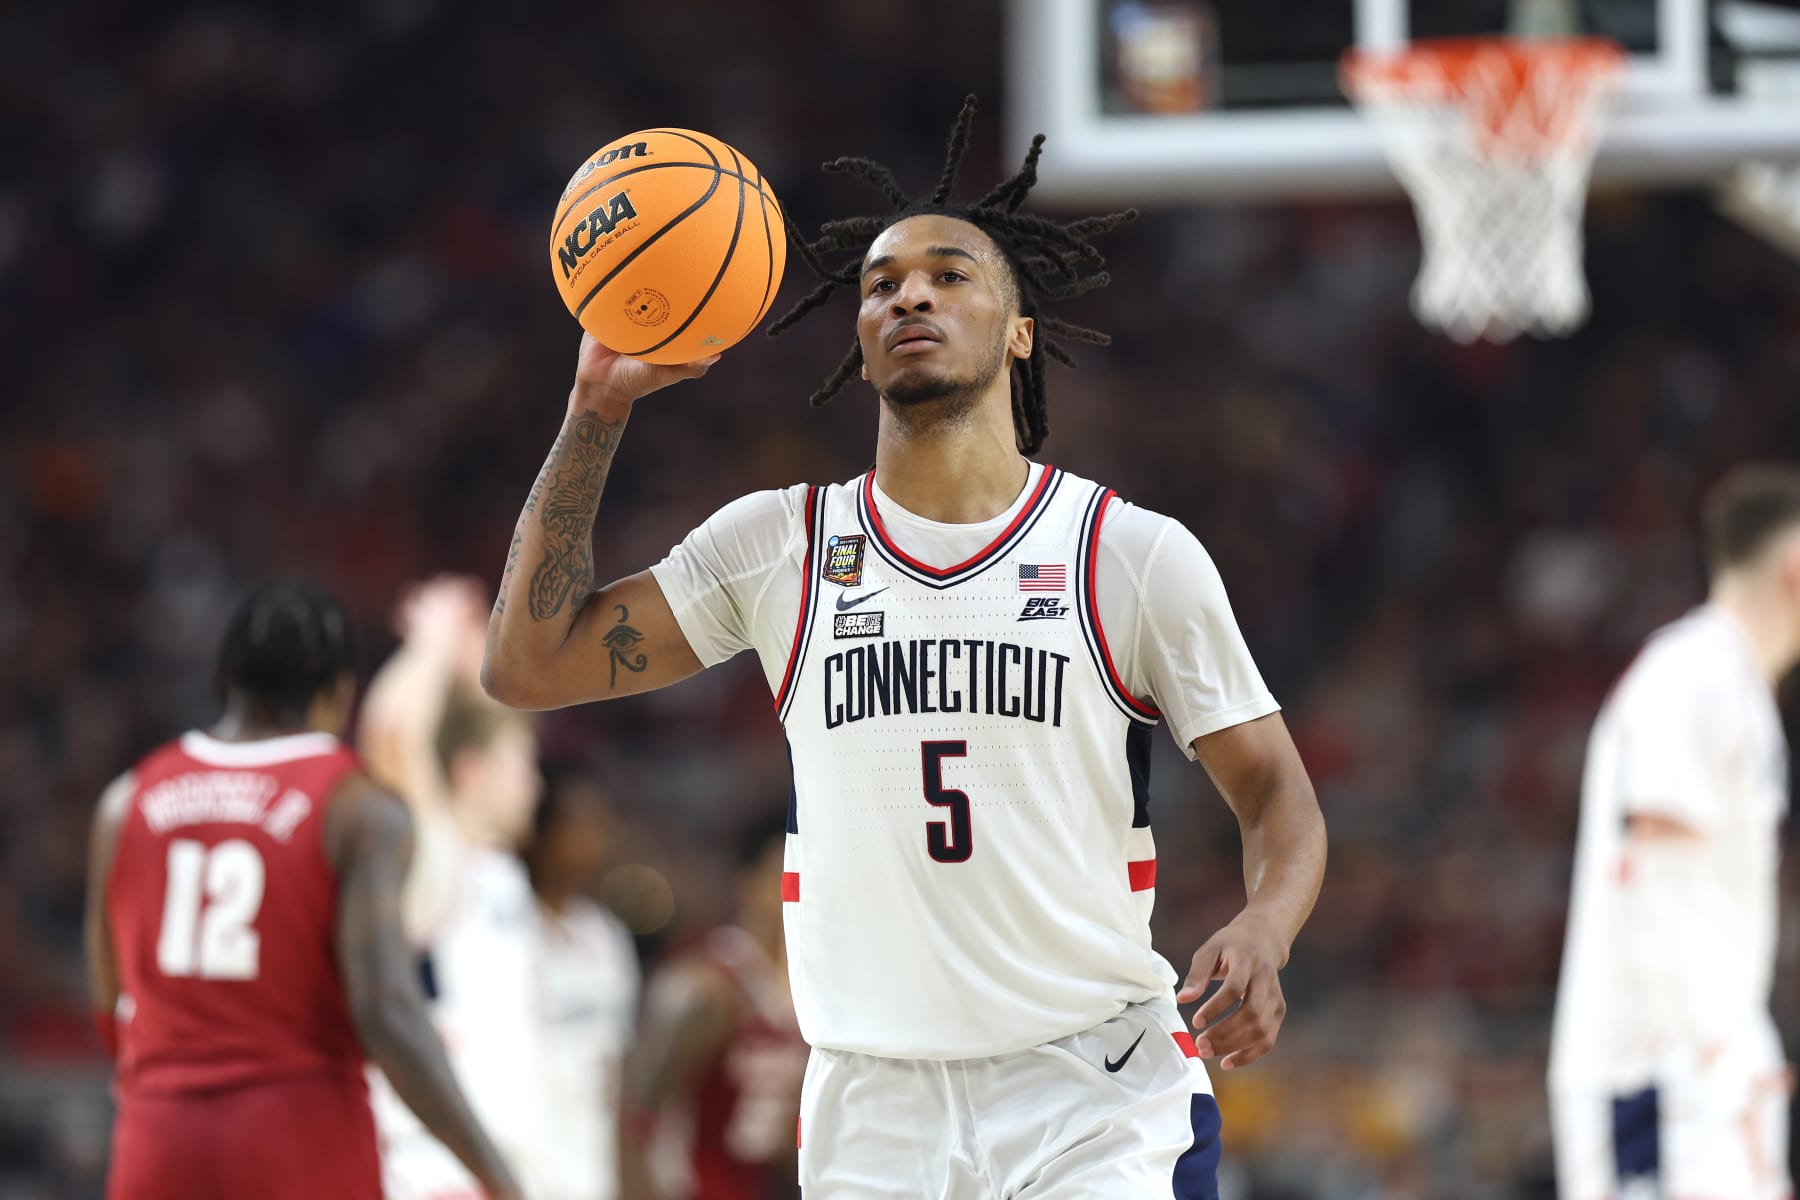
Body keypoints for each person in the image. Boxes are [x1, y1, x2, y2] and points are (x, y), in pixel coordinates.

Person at [483, 96, 1328, 1198]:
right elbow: (525, 664)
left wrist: (1265, 929)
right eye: (881, 284)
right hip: (871, 1110)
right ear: (863, 342)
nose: (909, 294)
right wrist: (597, 407)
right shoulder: (778, 547)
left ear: (1020, 329)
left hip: (1092, 1095)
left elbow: (1277, 796)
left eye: (949, 275)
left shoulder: (1127, 554)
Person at [83, 580, 519, 1200]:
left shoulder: (125, 801)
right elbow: (387, 1013)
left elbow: (110, 998)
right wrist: (495, 1172)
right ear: (340, 690)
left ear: (225, 675)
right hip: (298, 1131)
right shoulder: (357, 805)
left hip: (158, 1135)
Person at [1550, 465, 1800, 1200]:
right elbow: (1656, 875)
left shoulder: (1738, 689)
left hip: (1708, 1073)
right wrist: (1722, 1060)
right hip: (1663, 1074)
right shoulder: (1695, 671)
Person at [357, 577, 553, 1200]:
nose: (536, 788)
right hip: (434, 1175)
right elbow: (391, 736)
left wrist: (471, 668)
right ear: (472, 772)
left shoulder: (498, 872)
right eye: (524, 765)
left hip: (499, 1169)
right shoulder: (436, 858)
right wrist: (431, 647)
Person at [633, 816, 807, 1200]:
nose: (800, 885)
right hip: (699, 1185)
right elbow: (641, 1108)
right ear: (747, 884)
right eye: (787, 870)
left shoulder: (811, 988)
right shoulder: (706, 980)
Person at [526, 766, 642, 1200]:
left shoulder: (605, 935)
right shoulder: (507, 927)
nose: (598, 837)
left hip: (593, 1169)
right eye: (582, 822)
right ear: (541, 829)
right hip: (528, 1165)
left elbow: (622, 1061)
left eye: (602, 823)